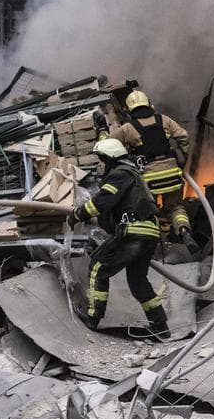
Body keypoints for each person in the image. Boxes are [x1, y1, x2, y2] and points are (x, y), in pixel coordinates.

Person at [70, 138, 170, 340]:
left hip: (134, 231)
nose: (99, 166)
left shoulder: (120, 174)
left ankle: (93, 317)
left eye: (101, 160)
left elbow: (101, 202)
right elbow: (110, 216)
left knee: (98, 267)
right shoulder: (133, 176)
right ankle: (160, 326)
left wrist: (77, 214)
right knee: (138, 281)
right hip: (149, 233)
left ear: (110, 158)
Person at [100, 89, 194, 245]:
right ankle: (184, 230)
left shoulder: (127, 128)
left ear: (129, 109)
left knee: (148, 211)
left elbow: (108, 144)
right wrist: (183, 154)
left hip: (149, 178)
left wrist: (102, 131)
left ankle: (158, 243)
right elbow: (183, 136)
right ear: (150, 104)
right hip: (173, 174)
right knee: (175, 208)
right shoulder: (164, 119)